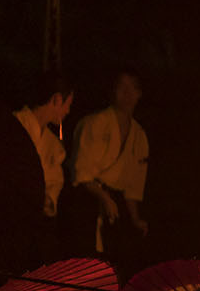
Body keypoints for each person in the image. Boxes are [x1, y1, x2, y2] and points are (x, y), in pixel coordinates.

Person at [61, 69, 150, 265]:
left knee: (116, 262)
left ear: (139, 93)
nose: (127, 94)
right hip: (87, 200)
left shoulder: (139, 135)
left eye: (132, 88)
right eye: (122, 87)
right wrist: (102, 196)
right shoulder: (94, 123)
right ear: (113, 91)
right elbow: (81, 173)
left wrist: (135, 219)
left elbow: (133, 188)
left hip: (115, 204)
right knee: (86, 260)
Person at [13, 72, 73, 222]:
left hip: (33, 215)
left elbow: (55, 181)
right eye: (68, 105)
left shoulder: (54, 146)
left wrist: (47, 199)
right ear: (57, 100)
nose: (68, 111)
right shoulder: (15, 123)